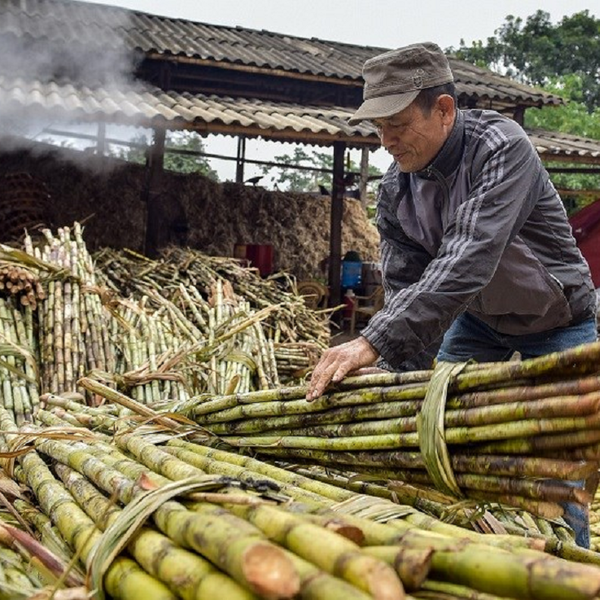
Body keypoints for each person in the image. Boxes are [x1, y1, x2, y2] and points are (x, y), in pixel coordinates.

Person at [306, 42, 598, 547]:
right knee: (440, 431)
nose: (387, 141)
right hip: (477, 322)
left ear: (443, 110)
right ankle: (482, 550)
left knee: (558, 464)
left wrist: (371, 340)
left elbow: (468, 258)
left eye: (396, 124)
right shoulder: (398, 185)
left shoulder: (502, 148)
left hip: (556, 320)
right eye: (379, 129)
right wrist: (396, 367)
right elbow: (405, 284)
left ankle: (567, 567)